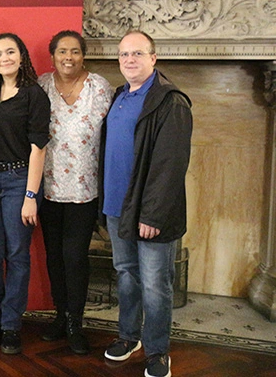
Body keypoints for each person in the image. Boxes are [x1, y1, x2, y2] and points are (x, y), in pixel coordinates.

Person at [100, 30, 192, 377]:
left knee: (156, 284)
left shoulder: (170, 101)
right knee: (126, 276)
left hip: (151, 212)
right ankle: (129, 336)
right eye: (123, 54)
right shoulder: (119, 96)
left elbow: (171, 165)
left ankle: (157, 351)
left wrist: (152, 214)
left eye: (137, 54)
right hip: (115, 207)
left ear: (154, 58)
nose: (129, 60)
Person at [0, 32, 50, 355]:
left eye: (10, 52)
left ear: (22, 56)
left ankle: (11, 324)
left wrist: (31, 195)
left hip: (20, 181)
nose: (4, 58)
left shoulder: (34, 95)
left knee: (17, 255)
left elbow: (38, 149)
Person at [37, 30, 112, 354]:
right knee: (53, 257)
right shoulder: (41, 86)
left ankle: (75, 323)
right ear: (53, 55)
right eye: (62, 51)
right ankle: (59, 316)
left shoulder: (99, 87)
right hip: (48, 189)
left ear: (84, 56)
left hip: (84, 191)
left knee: (75, 258)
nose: (69, 57)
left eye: (75, 52)